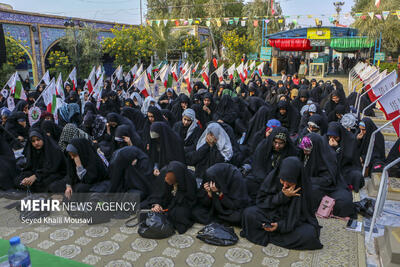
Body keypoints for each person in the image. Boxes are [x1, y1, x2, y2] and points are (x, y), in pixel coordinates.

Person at [241, 157, 323, 250]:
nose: (284, 185)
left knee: (310, 234)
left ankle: (270, 234)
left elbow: (304, 216)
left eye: (289, 183)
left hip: (290, 221)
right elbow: (262, 202)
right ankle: (276, 235)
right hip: (271, 214)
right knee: (248, 213)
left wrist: (280, 226)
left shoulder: (305, 187)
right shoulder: (273, 177)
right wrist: (282, 196)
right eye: (282, 181)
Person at [299, 134, 355, 217]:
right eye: (304, 150)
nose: (305, 152)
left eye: (307, 150)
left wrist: (307, 180)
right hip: (314, 184)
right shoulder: (305, 154)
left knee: (344, 203)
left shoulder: (328, 157)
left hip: (330, 186)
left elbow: (328, 179)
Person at [246, 127, 298, 202]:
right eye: (275, 142)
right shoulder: (264, 146)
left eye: (281, 143)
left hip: (278, 182)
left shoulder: (290, 151)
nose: (277, 146)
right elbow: (257, 166)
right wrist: (266, 182)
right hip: (261, 178)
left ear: (286, 143)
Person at [149, 161, 197, 234]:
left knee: (179, 214)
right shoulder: (164, 173)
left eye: (170, 181)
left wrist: (174, 202)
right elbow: (158, 193)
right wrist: (157, 204)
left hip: (181, 203)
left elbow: (190, 199)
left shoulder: (189, 179)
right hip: (167, 201)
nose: (165, 179)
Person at [325, 122, 364, 192]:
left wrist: (337, 148)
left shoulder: (350, 140)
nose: (332, 139)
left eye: (335, 137)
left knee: (357, 176)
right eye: (330, 137)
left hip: (345, 168)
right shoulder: (325, 139)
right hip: (331, 167)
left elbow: (348, 159)